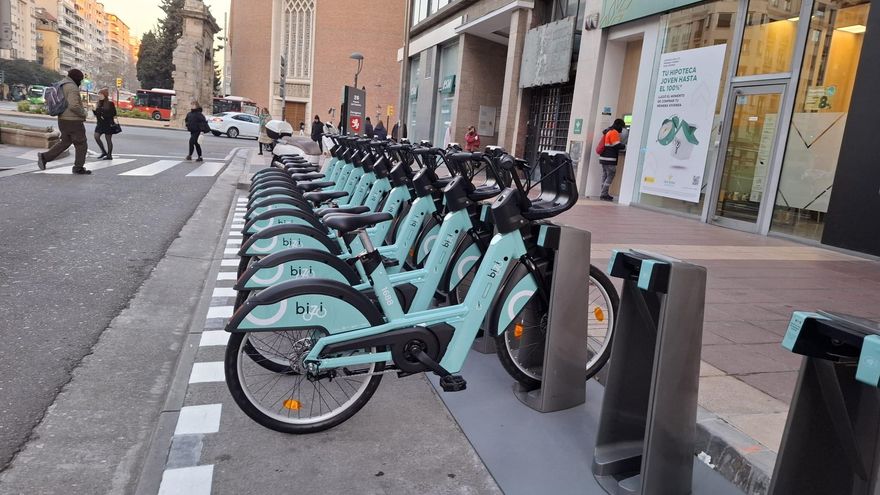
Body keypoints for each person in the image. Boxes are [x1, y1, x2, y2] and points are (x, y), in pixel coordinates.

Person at [37, 69, 90, 174]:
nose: (81, 82)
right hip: (73, 120)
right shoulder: (72, 88)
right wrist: (83, 113)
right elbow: (74, 105)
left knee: (65, 142)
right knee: (81, 144)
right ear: (77, 78)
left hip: (62, 119)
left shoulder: (62, 83)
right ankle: (78, 167)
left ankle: (44, 157)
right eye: (80, 79)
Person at [598, 118, 626, 201]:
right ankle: (604, 194)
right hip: (610, 158)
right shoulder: (614, 132)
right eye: (622, 127)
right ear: (619, 126)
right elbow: (616, 145)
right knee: (611, 175)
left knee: (605, 175)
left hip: (604, 157)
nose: (623, 129)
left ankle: (603, 193)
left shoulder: (609, 131)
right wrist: (626, 146)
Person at [93, 87, 117, 160]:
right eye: (99, 94)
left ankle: (109, 155)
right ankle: (103, 152)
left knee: (108, 139)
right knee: (96, 136)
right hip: (100, 124)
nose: (99, 96)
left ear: (105, 95)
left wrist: (104, 114)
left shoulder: (110, 103)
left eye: (101, 94)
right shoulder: (98, 103)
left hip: (108, 123)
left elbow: (114, 113)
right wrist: (95, 111)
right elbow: (97, 114)